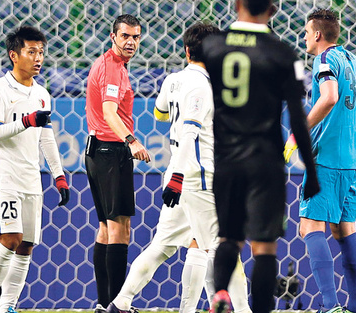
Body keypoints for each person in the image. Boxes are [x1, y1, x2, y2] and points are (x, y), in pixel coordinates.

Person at [106, 22, 251, 313]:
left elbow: (160, 113)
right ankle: (243, 310)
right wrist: (179, 178)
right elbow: (189, 133)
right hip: (197, 177)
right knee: (224, 247)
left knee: (166, 245)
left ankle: (120, 303)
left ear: (186, 50)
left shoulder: (173, 79)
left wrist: (175, 176)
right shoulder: (201, 86)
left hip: (178, 173)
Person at [200, 1, 321, 313]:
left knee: (229, 237)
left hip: (226, 159)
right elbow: (297, 118)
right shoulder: (282, 54)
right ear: (273, 9)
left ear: (236, 4)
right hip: (265, 162)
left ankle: (221, 295)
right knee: (264, 247)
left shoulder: (211, 47)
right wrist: (310, 169)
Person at [0, 25, 69, 313]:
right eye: (31, 52)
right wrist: (26, 121)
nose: (38, 58)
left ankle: (8, 306)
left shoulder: (42, 94)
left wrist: (59, 175)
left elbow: (46, 136)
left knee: (26, 245)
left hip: (32, 179)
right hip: (4, 176)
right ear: (14, 55)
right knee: (10, 239)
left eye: (41, 52)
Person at [284, 9, 356, 313]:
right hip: (353, 160)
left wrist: (299, 131)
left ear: (317, 34)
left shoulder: (324, 59)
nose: (303, 37)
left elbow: (328, 97)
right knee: (344, 230)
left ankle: (330, 306)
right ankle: (355, 307)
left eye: (305, 32)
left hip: (327, 159)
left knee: (309, 226)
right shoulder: (354, 62)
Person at [84, 14, 151, 313]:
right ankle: (116, 305)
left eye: (136, 37)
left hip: (97, 151)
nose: (131, 42)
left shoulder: (111, 66)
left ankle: (103, 304)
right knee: (119, 228)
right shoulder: (112, 69)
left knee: (104, 228)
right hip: (111, 151)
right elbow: (110, 112)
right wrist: (131, 141)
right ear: (113, 37)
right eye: (125, 36)